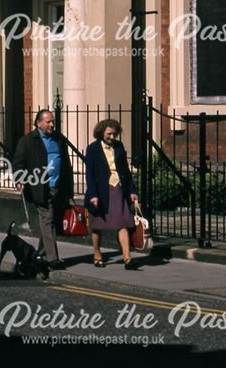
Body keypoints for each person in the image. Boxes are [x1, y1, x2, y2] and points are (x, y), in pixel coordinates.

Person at [13, 110, 73, 269]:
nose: (52, 124)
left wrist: (69, 189)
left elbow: (66, 164)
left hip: (58, 188)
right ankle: (53, 259)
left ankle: (39, 254)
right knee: (48, 220)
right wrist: (19, 179)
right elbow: (19, 162)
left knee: (50, 221)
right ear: (38, 123)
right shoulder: (27, 141)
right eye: (48, 122)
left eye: (53, 121)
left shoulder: (59, 139)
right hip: (40, 188)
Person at [84, 119, 140, 270]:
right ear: (101, 132)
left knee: (123, 223)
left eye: (114, 134)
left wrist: (132, 191)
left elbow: (126, 172)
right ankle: (97, 255)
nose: (112, 137)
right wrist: (93, 195)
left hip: (118, 189)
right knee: (97, 226)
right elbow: (89, 174)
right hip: (100, 191)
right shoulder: (92, 149)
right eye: (109, 134)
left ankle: (127, 259)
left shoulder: (119, 147)